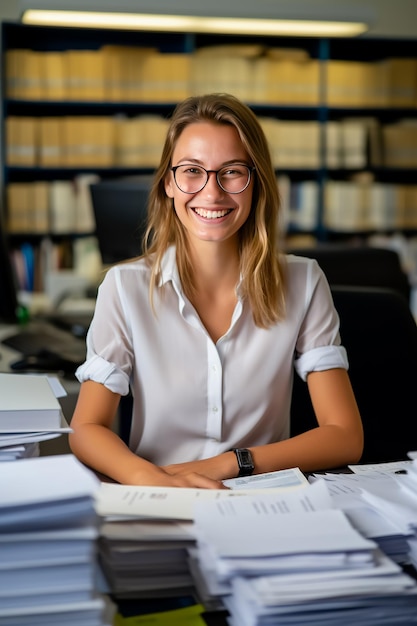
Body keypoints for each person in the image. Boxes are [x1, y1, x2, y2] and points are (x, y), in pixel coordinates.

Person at [69, 93, 363, 488]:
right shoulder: (125, 287)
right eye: (192, 170)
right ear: (168, 184)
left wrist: (231, 464)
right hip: (155, 493)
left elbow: (345, 435)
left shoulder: (304, 281)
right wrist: (152, 479)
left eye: (232, 171)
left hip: (263, 497)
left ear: (256, 182)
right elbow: (87, 427)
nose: (211, 192)